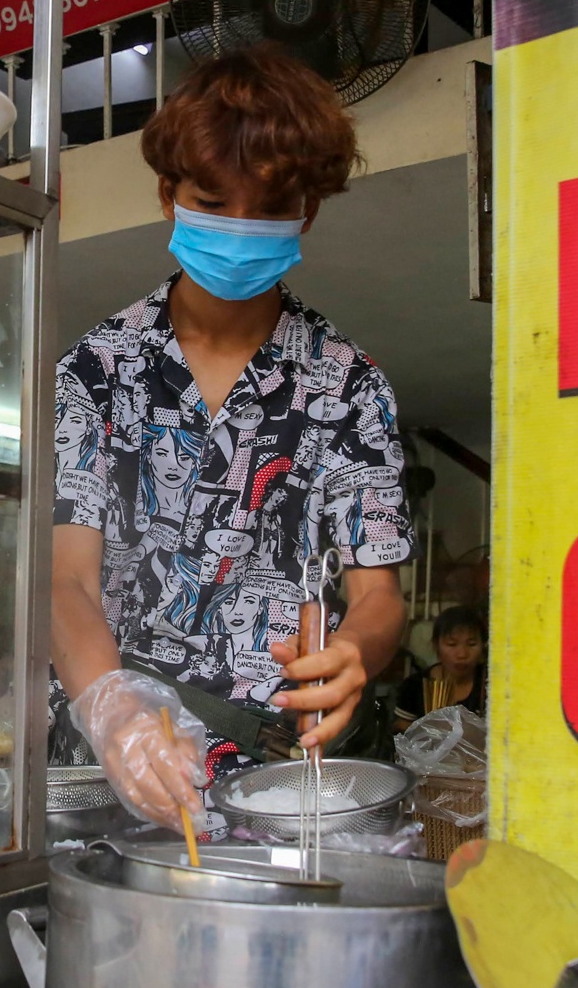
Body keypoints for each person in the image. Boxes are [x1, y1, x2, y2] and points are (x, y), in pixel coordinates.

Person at [49, 44, 412, 834]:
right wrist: (111, 710)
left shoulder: (349, 386)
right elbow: (66, 580)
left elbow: (379, 594)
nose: (239, 231)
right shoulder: (96, 371)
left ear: (307, 213)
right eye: (214, 202)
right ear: (168, 194)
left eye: (268, 211)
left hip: (276, 793)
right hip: (110, 770)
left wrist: (355, 650)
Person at [396, 606, 487, 723]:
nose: (462, 654)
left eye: (472, 644)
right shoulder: (414, 687)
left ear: (483, 646)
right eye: (452, 644)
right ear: (436, 645)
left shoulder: (492, 686)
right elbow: (401, 732)